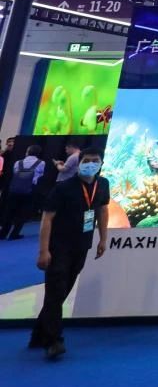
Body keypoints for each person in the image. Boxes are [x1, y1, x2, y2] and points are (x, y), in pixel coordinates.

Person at [32, 146, 108, 359]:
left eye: (95, 160)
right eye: (87, 160)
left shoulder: (103, 184)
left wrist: (103, 238)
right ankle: (54, 341)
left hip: (82, 245)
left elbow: (102, 210)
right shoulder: (63, 188)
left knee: (62, 291)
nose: (91, 164)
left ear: (101, 163)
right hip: (59, 246)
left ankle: (39, 333)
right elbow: (47, 218)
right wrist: (43, 250)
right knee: (56, 290)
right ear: (79, 163)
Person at [0, 145, 44, 240]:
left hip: (15, 189)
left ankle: (3, 233)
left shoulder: (18, 162)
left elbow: (14, 172)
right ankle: (15, 233)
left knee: (9, 211)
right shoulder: (41, 163)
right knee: (23, 212)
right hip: (29, 189)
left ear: (27, 152)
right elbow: (41, 174)